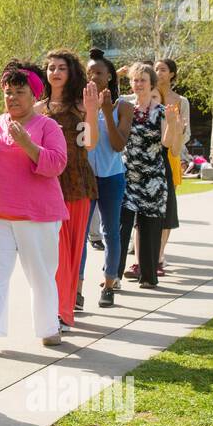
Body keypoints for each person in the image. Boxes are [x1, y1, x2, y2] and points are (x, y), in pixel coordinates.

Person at [0, 60, 67, 353]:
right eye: (8, 92)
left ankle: (48, 328)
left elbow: (57, 163)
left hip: (37, 216)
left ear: (34, 95)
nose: (12, 98)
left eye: (19, 91)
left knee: (41, 274)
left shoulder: (48, 126)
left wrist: (27, 145)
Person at [35, 50, 100, 327]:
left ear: (71, 72)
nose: (56, 72)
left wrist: (93, 110)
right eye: (51, 68)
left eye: (62, 67)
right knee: (49, 252)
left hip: (76, 184)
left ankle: (63, 311)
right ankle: (52, 309)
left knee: (71, 251)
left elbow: (90, 144)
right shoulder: (38, 109)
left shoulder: (81, 106)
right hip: (46, 185)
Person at [116, 63, 182, 289]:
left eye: (143, 80)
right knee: (121, 227)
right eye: (135, 80)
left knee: (149, 228)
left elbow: (168, 145)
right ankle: (113, 275)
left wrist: (173, 125)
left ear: (152, 84)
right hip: (127, 177)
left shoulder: (162, 111)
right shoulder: (124, 109)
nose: (138, 84)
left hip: (153, 178)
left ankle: (148, 276)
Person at [82, 48, 131, 308]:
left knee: (110, 231)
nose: (93, 77)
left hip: (112, 177)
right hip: (86, 178)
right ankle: (76, 289)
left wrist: (107, 111)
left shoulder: (123, 106)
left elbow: (118, 145)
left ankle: (109, 284)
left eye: (99, 72)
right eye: (89, 72)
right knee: (80, 234)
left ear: (110, 76)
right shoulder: (80, 104)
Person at [152, 59, 190, 273]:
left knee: (167, 208)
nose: (159, 73)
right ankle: (146, 252)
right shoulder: (148, 96)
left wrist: (177, 134)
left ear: (172, 74)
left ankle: (159, 254)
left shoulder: (180, 101)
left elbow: (187, 132)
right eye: (156, 69)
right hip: (149, 154)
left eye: (163, 70)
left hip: (171, 156)